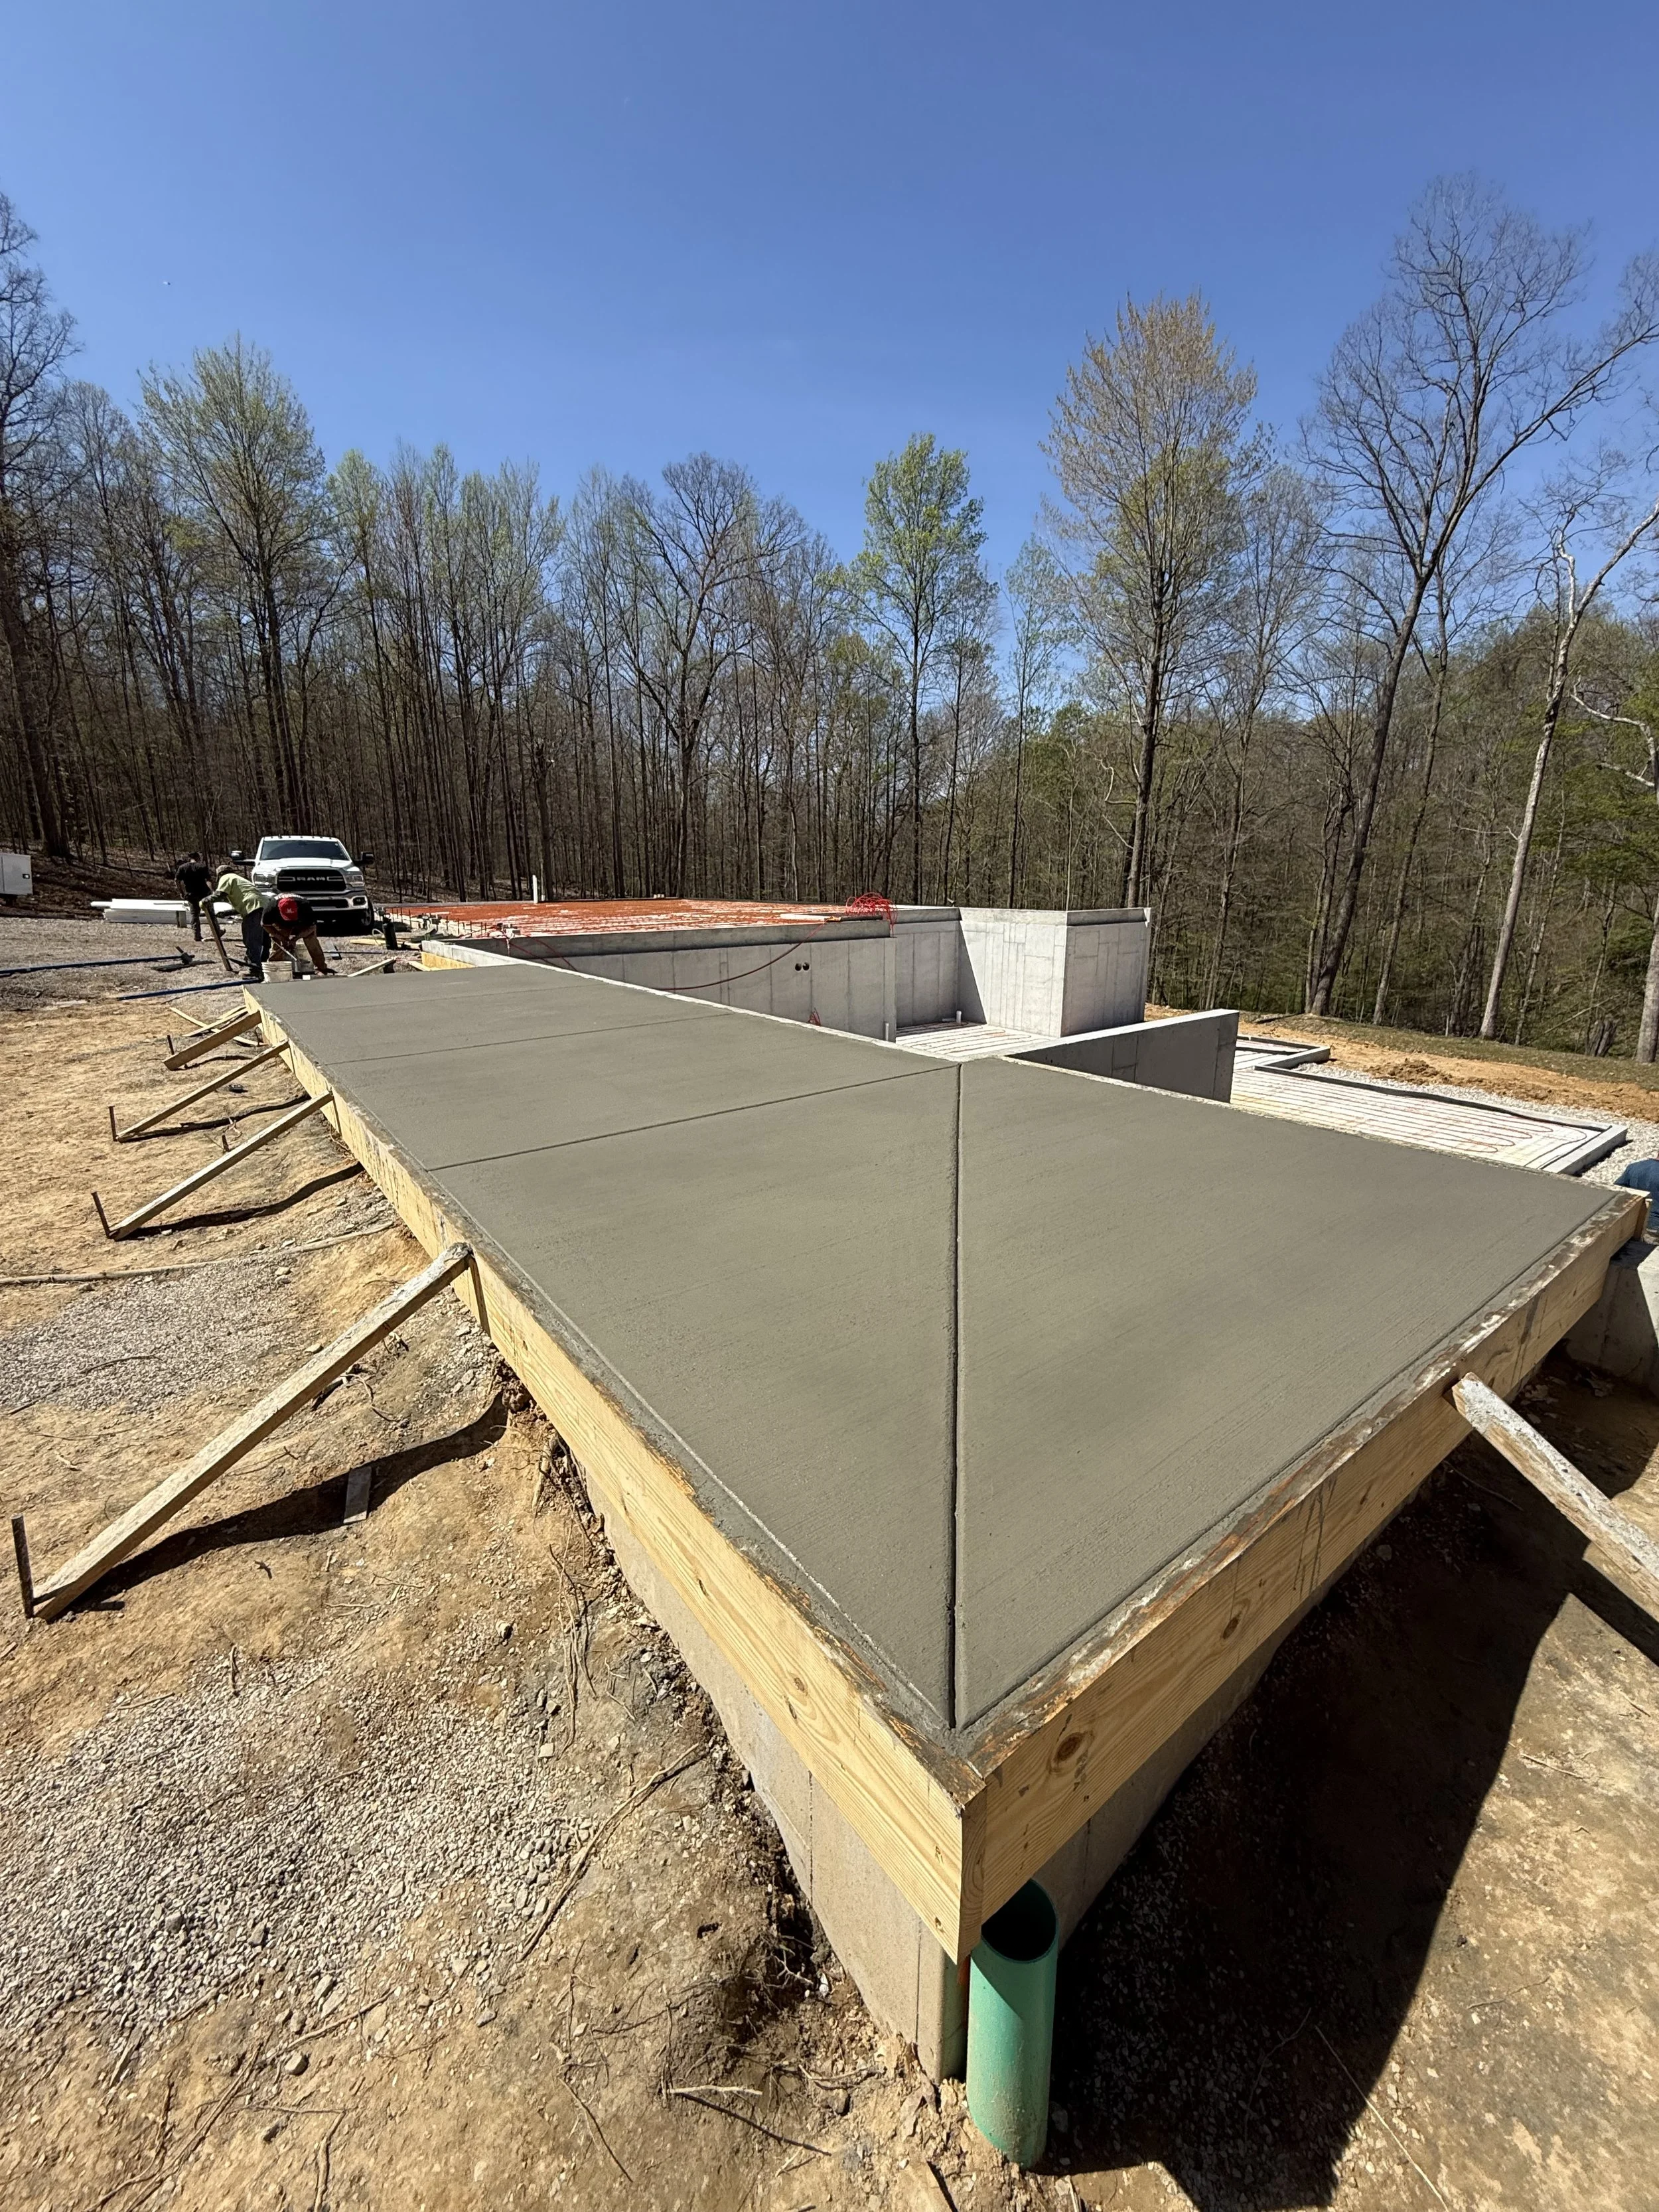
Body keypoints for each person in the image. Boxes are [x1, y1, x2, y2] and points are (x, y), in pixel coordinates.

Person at [212, 861, 270, 980]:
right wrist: (227, 913)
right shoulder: (241, 880)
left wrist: (206, 900)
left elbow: (219, 894)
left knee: (252, 939)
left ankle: (254, 969)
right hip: (266, 906)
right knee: (264, 940)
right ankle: (264, 966)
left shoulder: (227, 877)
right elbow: (246, 903)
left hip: (254, 908)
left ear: (220, 874)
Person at [262, 891, 333, 977]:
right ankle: (276, 968)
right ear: (279, 909)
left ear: (297, 908)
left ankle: (321, 968)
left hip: (300, 922)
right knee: (279, 943)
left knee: (311, 940)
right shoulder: (271, 907)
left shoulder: (304, 906)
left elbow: (312, 928)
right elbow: (264, 925)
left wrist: (295, 939)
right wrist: (282, 938)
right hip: (281, 924)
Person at [174, 852, 212, 940]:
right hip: (204, 893)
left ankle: (196, 934)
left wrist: (181, 892)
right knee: (210, 913)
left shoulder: (183, 867)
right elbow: (208, 880)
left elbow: (177, 880)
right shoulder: (202, 867)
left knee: (194, 915)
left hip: (191, 894)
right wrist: (211, 891)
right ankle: (217, 931)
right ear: (198, 858)